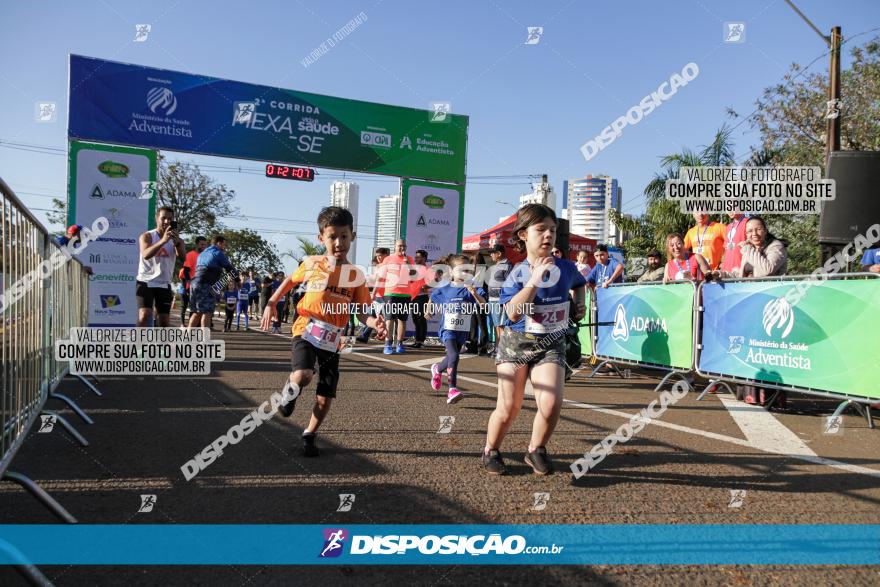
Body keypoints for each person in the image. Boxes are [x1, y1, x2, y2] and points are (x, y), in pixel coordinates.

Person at [260, 207, 385, 457]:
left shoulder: (356, 276)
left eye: (344, 236)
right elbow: (290, 281)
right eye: (332, 236)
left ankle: (309, 434)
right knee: (304, 375)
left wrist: (375, 324)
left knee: (325, 396)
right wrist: (272, 302)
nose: (339, 242)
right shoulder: (312, 263)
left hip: (332, 340)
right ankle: (290, 390)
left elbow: (361, 313)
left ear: (353, 236)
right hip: (306, 329)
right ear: (321, 239)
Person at [483, 204, 587, 476]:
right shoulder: (516, 273)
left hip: (551, 343)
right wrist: (535, 281)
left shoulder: (565, 267)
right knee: (509, 408)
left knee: (552, 403)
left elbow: (580, 283)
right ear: (522, 235)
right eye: (540, 230)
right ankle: (491, 450)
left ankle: (535, 449)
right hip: (516, 344)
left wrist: (579, 304)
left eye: (552, 230)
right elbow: (512, 311)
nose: (547, 236)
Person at [428, 254, 487, 404]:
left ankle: (437, 369)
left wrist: (474, 293)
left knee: (450, 358)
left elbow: (483, 305)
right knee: (454, 356)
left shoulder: (471, 288)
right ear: (452, 272)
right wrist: (429, 310)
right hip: (447, 330)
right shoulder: (445, 289)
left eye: (468, 270)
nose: (466, 273)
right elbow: (433, 296)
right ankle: (452, 389)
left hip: (462, 331)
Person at [137, 206, 186, 327]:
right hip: (145, 281)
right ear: (157, 218)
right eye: (163, 218)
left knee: (164, 322)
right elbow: (146, 255)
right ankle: (138, 344)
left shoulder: (177, 240)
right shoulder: (147, 236)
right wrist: (163, 241)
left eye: (170, 219)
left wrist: (177, 243)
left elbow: (183, 258)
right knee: (145, 315)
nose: (166, 221)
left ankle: (160, 345)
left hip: (164, 283)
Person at [374, 240, 414, 354]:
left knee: (402, 319)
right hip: (391, 293)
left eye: (404, 246)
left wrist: (407, 263)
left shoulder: (409, 259)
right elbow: (380, 277)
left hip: (405, 294)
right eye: (400, 246)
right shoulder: (388, 259)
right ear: (395, 247)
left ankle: (400, 343)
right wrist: (374, 292)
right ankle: (388, 344)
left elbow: (413, 274)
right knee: (389, 319)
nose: (402, 248)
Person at [188, 235, 236, 328]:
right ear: (219, 243)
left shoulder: (202, 253)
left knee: (197, 312)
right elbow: (229, 268)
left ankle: (187, 337)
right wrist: (238, 280)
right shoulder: (217, 252)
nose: (224, 247)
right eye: (224, 245)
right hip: (206, 284)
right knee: (207, 312)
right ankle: (205, 340)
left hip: (194, 284)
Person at [486, 244, 512, 348]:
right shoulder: (496, 265)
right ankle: (497, 348)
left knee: (501, 326)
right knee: (497, 325)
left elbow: (510, 285)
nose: (491, 255)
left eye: (493, 252)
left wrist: (505, 300)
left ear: (499, 253)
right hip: (492, 299)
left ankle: (501, 349)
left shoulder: (508, 265)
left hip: (500, 300)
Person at [179, 236, 207, 326]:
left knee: (201, 310)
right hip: (193, 287)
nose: (204, 246)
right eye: (202, 244)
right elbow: (186, 271)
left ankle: (198, 330)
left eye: (205, 245)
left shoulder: (205, 256)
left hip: (203, 287)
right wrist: (189, 284)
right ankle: (191, 331)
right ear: (196, 244)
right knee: (194, 310)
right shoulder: (190, 254)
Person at [409, 249, 431, 348]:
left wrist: (425, 287)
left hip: (422, 297)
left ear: (424, 258)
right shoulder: (414, 269)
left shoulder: (428, 269)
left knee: (421, 319)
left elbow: (434, 281)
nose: (416, 258)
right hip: (413, 297)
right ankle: (417, 340)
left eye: (418, 257)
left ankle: (421, 341)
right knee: (415, 319)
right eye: (416, 257)